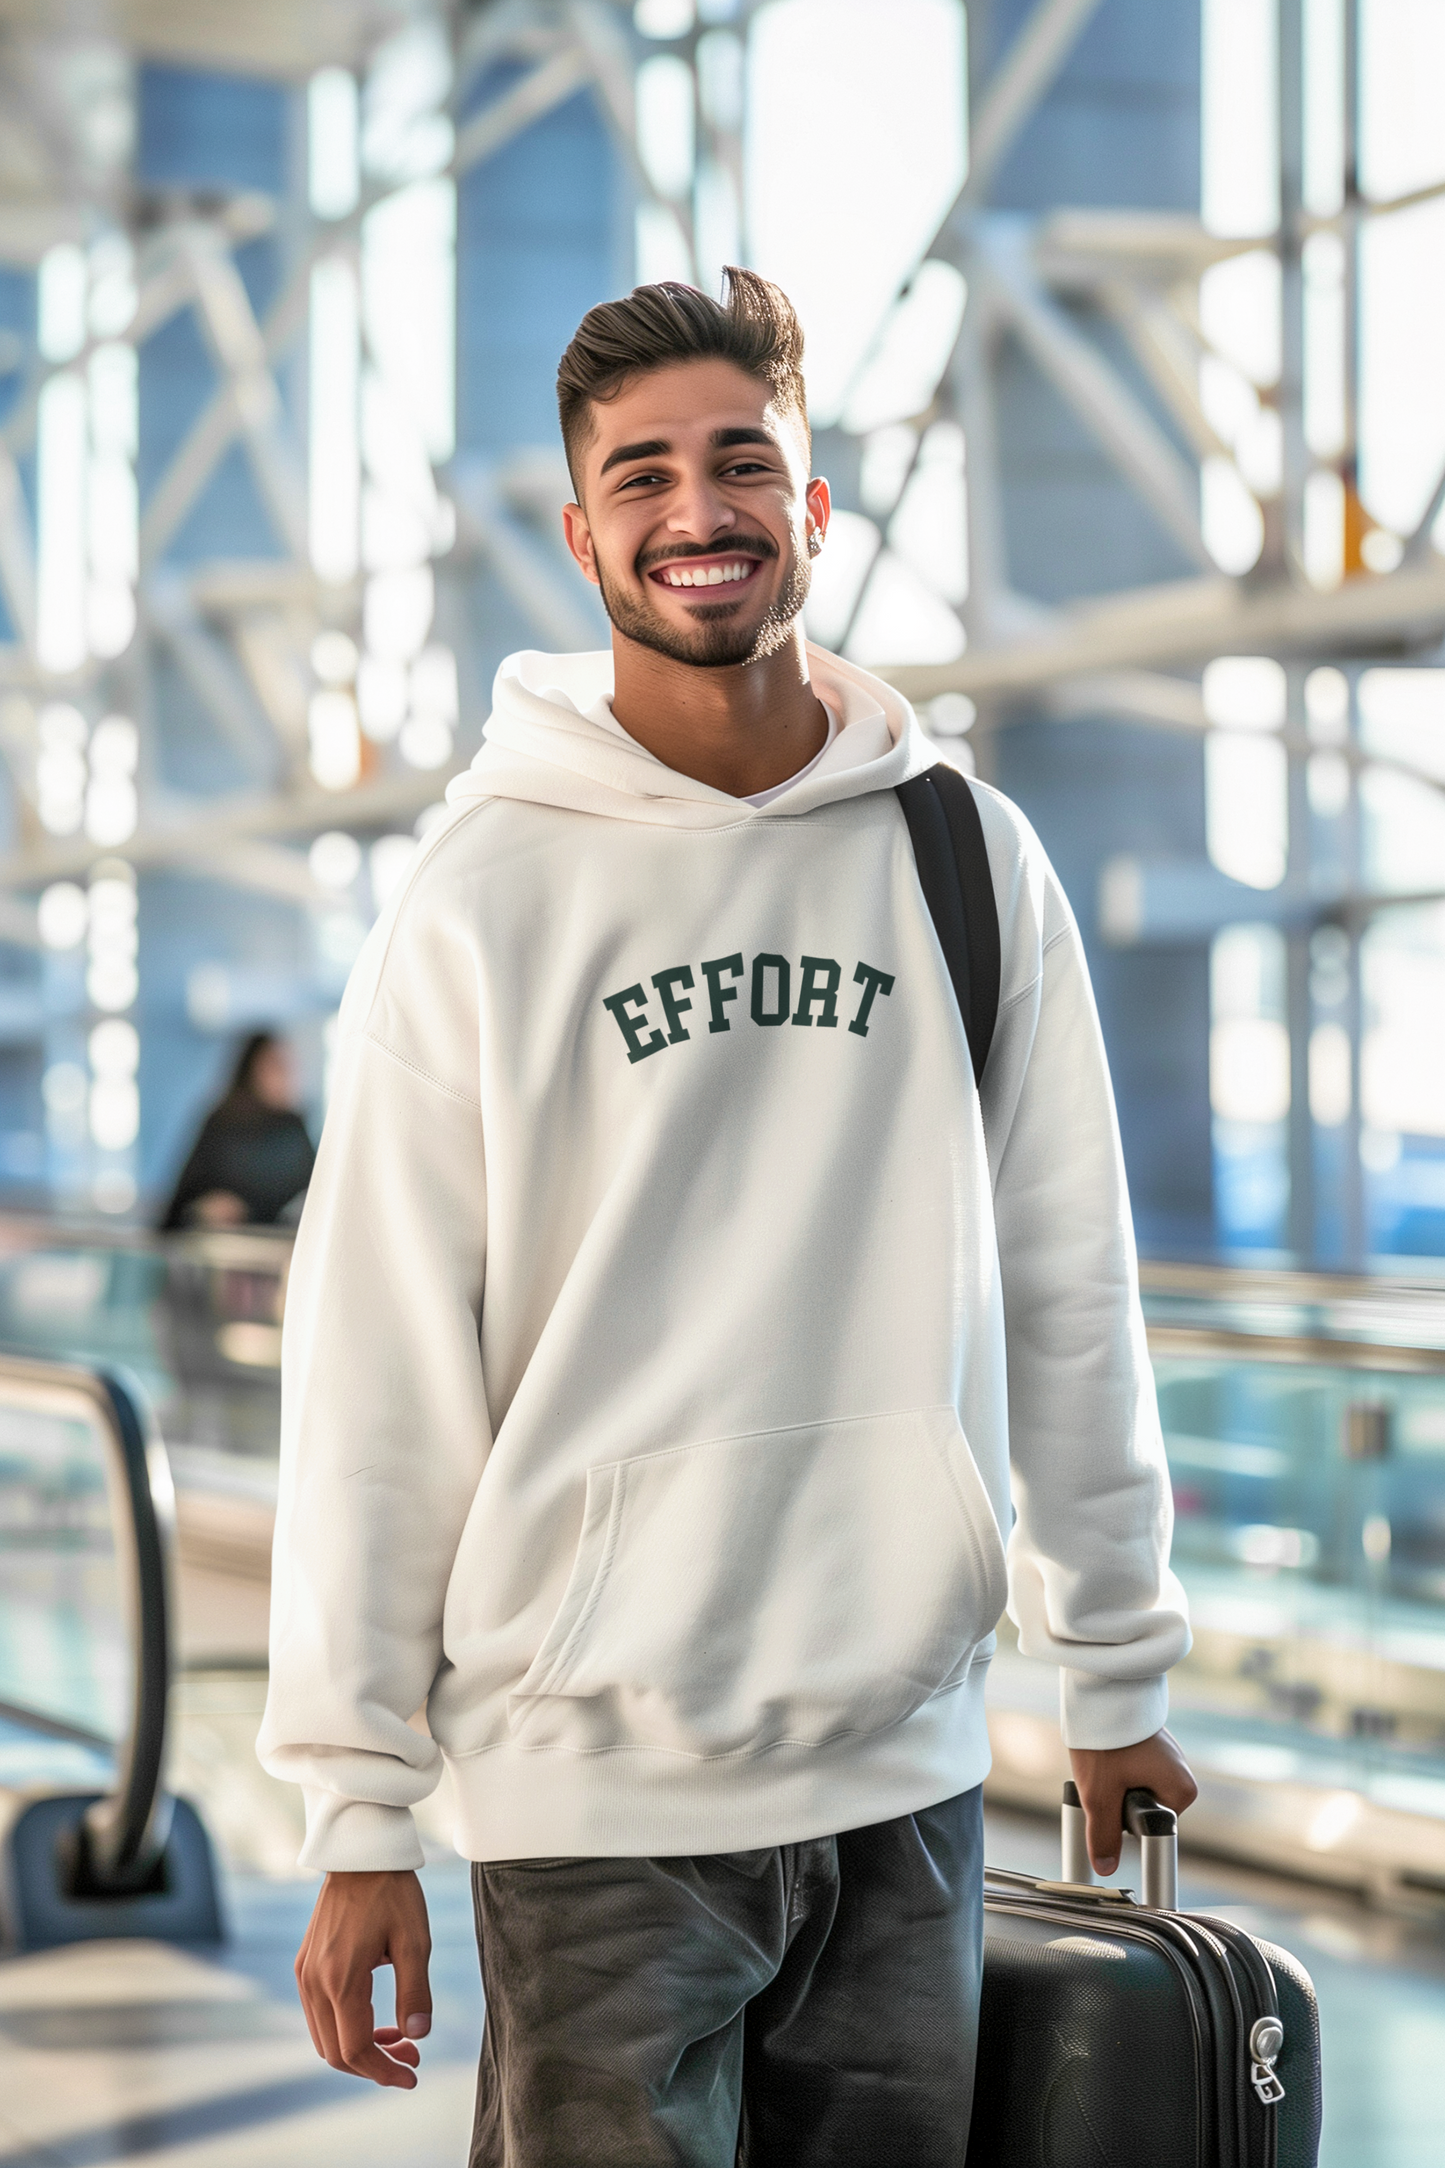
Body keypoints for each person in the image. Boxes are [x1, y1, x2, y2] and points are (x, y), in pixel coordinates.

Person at [259, 271, 1196, 2165]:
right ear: (581, 531)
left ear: (813, 505)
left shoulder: (964, 855)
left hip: (903, 1771)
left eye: (743, 461)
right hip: (591, 1793)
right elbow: (379, 1366)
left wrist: (1113, 1662)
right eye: (645, 474)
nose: (700, 509)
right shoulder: (485, 897)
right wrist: (356, 1808)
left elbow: (1068, 1282)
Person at [162, 1031, 314, 1231]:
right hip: (227, 1242)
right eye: (275, 1066)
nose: (285, 1076)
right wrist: (205, 1208)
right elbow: (182, 1201)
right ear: (251, 1070)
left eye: (288, 1067)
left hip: (284, 1241)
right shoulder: (223, 1123)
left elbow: (315, 1189)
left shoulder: (293, 1126)